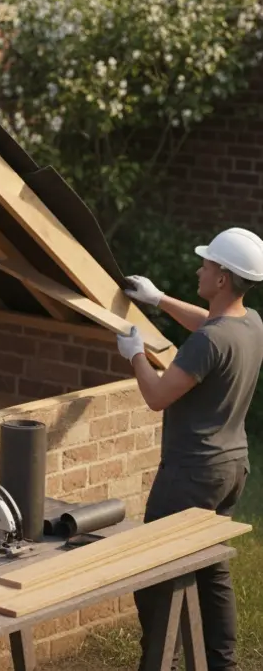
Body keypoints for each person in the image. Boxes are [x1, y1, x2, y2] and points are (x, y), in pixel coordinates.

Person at [117, 227, 263, 671]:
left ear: (221, 279)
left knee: (156, 577)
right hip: (231, 468)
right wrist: (158, 299)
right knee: (210, 569)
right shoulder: (251, 323)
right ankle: (222, 664)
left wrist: (135, 354)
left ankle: (158, 664)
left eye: (206, 264)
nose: (199, 269)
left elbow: (158, 396)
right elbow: (208, 324)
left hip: (190, 476)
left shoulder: (209, 343)